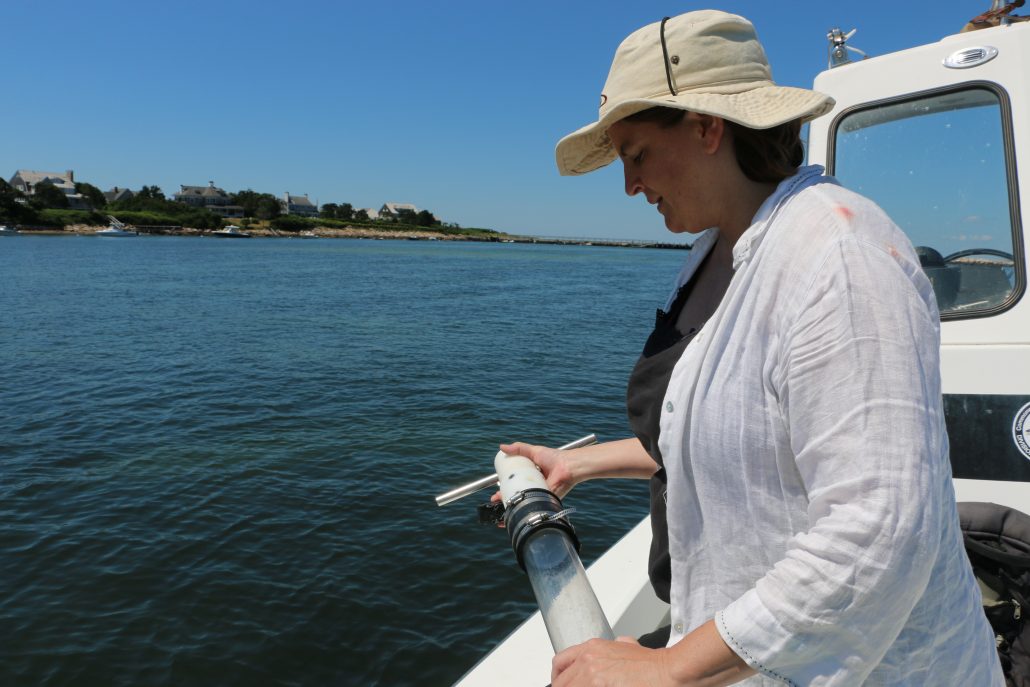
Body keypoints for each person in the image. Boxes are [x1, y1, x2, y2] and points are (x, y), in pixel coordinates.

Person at [499, 10, 1004, 686]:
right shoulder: (716, 251)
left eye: (636, 153)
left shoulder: (839, 257)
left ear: (709, 126)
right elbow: (735, 431)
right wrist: (577, 462)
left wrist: (671, 667)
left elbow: (880, 530)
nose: (627, 184)